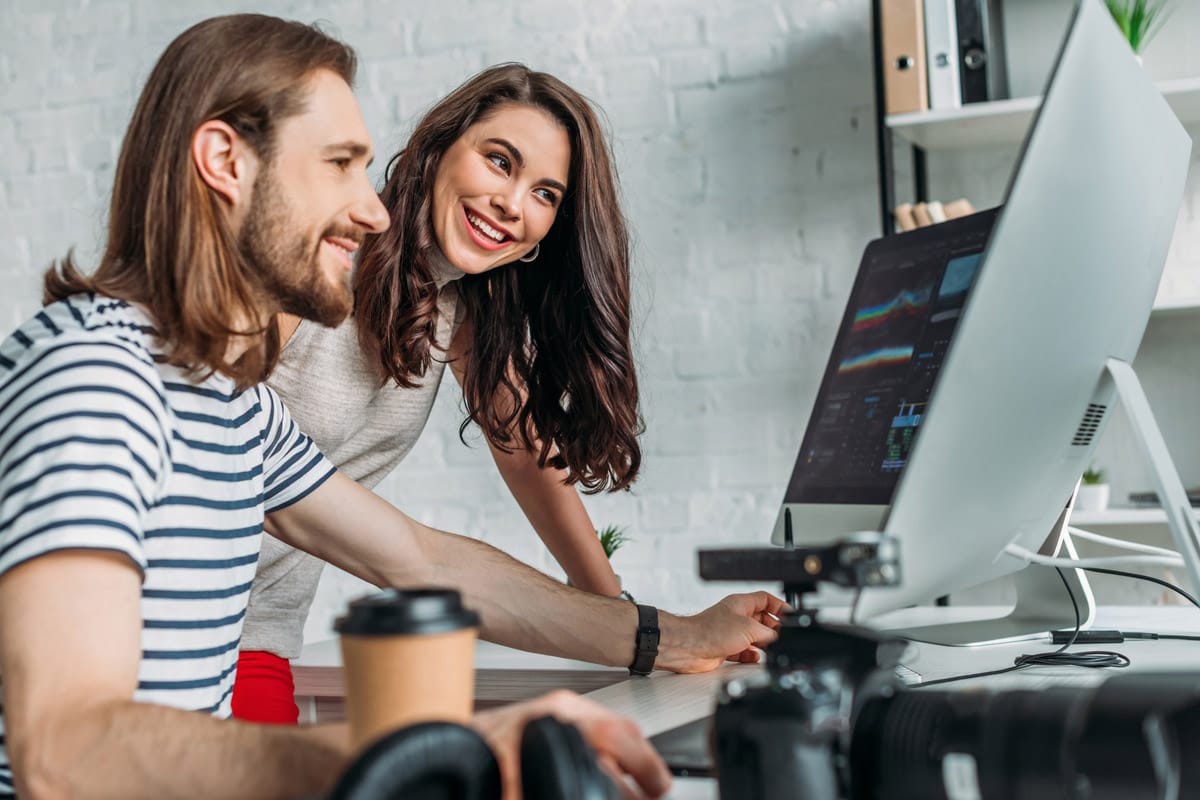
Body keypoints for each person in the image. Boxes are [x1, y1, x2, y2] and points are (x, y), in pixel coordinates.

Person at [0, 14, 783, 799]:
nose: (372, 209)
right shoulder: (96, 378)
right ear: (224, 161)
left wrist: (667, 635)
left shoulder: (234, 406)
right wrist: (435, 749)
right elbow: (66, 754)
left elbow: (424, 560)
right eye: (340, 165)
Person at [235, 63, 653, 723]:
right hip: (158, 622)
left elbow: (528, 458)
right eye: (498, 161)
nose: (512, 203)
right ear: (438, 150)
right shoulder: (320, 257)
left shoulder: (460, 309)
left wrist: (626, 630)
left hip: (258, 637)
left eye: (546, 193)